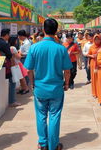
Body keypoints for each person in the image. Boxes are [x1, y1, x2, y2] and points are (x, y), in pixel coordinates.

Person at [24, 18, 72, 150]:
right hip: (56, 88)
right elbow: (67, 70)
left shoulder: (34, 48)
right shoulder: (61, 49)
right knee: (54, 116)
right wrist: (66, 84)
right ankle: (53, 145)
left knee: (41, 116)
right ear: (56, 31)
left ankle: (43, 143)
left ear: (43, 30)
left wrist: (32, 84)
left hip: (40, 88)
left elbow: (29, 70)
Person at [0, 29, 21, 107]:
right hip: (6, 66)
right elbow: (9, 55)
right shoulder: (5, 44)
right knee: (12, 83)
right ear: (6, 35)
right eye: (8, 35)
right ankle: (12, 101)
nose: (9, 37)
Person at [87, 34, 101, 98]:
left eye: (98, 39)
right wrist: (92, 56)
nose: (97, 40)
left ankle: (100, 93)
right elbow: (88, 55)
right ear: (94, 39)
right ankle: (94, 93)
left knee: (100, 78)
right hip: (93, 64)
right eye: (95, 39)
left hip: (100, 64)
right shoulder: (92, 47)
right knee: (94, 79)